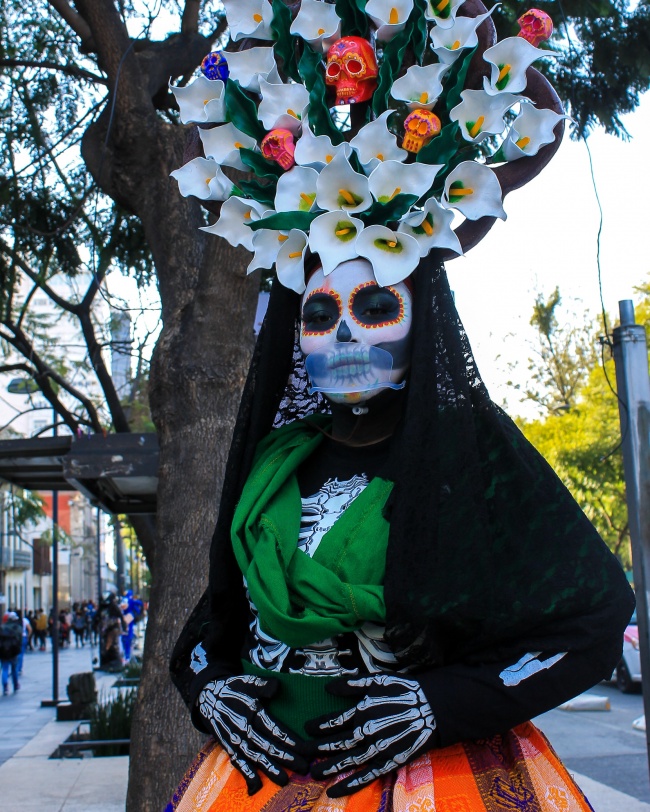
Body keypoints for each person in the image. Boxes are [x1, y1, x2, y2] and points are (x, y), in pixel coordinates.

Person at [164, 3, 634, 809]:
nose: (344, 333)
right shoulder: (278, 464)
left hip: (438, 780)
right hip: (260, 783)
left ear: (423, 321)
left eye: (376, 306)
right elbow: (216, 623)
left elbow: (592, 619)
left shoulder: (472, 463)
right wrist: (211, 690)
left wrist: (441, 703)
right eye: (319, 314)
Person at [1, 612, 22, 695]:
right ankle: (15, 684)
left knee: (5, 668)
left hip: (3, 651)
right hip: (14, 650)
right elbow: (20, 639)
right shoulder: (18, 628)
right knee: (14, 669)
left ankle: (5, 686)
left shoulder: (2, 627)